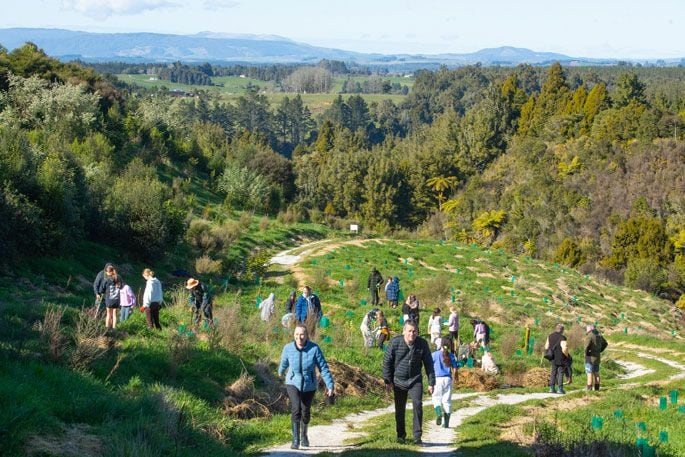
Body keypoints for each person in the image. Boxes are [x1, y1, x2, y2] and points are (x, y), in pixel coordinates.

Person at [278, 324, 334, 450]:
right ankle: (295, 439)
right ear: (294, 335)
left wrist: (330, 385)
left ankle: (304, 435)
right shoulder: (288, 348)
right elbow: (284, 363)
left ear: (307, 335)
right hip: (292, 382)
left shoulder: (314, 349)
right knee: (296, 408)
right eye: (297, 334)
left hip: (309, 384)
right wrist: (280, 372)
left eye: (302, 334)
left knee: (305, 412)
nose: (299, 337)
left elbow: (323, 368)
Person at [382, 320, 435, 445]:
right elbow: (387, 362)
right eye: (409, 331)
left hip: (415, 380)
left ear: (417, 332)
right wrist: (387, 380)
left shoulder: (422, 344)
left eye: (414, 331)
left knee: (418, 405)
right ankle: (401, 435)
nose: (412, 333)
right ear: (404, 331)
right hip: (398, 381)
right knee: (399, 409)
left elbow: (429, 364)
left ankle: (417, 436)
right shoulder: (395, 343)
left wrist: (431, 382)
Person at [431, 336, 458, 428]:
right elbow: (455, 368)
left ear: (441, 344)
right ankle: (446, 423)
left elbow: (429, 366)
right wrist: (455, 377)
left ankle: (439, 414)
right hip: (448, 379)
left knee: (436, 398)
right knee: (447, 401)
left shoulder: (434, 354)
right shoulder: (451, 355)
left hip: (437, 379)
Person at [544, 323, 569, 394]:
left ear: (556, 329)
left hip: (552, 357)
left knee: (553, 372)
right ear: (562, 330)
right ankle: (560, 389)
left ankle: (551, 388)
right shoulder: (563, 337)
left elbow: (546, 346)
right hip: (560, 357)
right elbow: (564, 348)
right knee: (560, 372)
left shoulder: (550, 336)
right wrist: (566, 356)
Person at [584, 324, 604, 391]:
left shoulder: (590, 336)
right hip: (597, 357)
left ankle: (589, 389)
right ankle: (597, 389)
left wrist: (586, 353)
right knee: (596, 373)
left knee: (589, 374)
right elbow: (605, 343)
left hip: (590, 357)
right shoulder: (599, 335)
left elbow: (586, 347)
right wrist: (600, 350)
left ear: (589, 329)